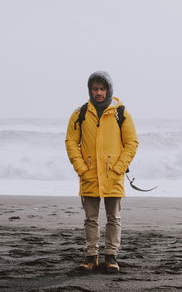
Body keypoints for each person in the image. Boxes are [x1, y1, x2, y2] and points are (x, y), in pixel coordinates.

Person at [65, 71, 138, 273]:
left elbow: (131, 143)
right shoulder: (79, 113)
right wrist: (80, 167)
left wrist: (119, 167)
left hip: (113, 175)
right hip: (89, 175)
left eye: (102, 88)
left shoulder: (120, 113)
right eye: (95, 89)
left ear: (108, 89)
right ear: (90, 90)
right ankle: (91, 258)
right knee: (91, 219)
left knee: (114, 218)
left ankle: (111, 257)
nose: (98, 92)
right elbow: (71, 142)